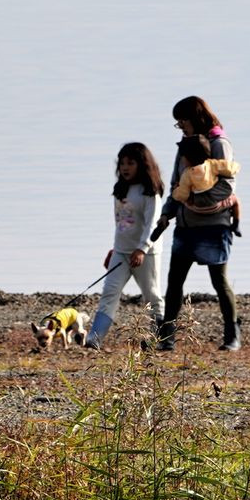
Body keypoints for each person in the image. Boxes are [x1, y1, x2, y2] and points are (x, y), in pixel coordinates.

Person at [153, 93, 243, 350]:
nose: (180, 126)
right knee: (174, 282)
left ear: (196, 118)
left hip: (214, 226)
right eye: (178, 122)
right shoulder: (185, 145)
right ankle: (167, 338)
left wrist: (196, 201)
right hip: (185, 226)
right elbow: (177, 185)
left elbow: (227, 186)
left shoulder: (219, 143)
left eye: (182, 121)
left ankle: (232, 334)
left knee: (219, 282)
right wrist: (167, 213)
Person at [81, 141, 161, 347]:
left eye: (130, 163)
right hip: (121, 252)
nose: (125, 167)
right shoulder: (121, 189)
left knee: (151, 295)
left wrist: (142, 248)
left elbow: (152, 224)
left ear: (142, 165)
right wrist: (115, 248)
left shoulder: (150, 192)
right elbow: (120, 223)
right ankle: (94, 339)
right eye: (122, 163)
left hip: (146, 253)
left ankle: (159, 338)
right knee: (109, 292)